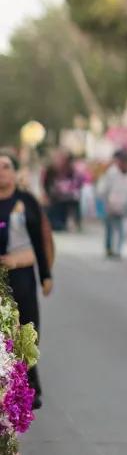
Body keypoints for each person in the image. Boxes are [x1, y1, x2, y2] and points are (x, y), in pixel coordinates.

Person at [0, 149, 52, 408]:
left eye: (6, 166)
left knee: (27, 330)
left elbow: (39, 240)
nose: (2, 171)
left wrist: (46, 274)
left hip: (22, 277)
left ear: (15, 171)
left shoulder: (27, 201)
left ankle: (30, 387)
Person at [97, 151, 127, 259]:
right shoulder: (111, 173)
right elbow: (103, 189)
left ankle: (118, 249)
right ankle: (109, 248)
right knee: (110, 228)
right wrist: (106, 202)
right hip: (110, 205)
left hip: (123, 206)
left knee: (120, 228)